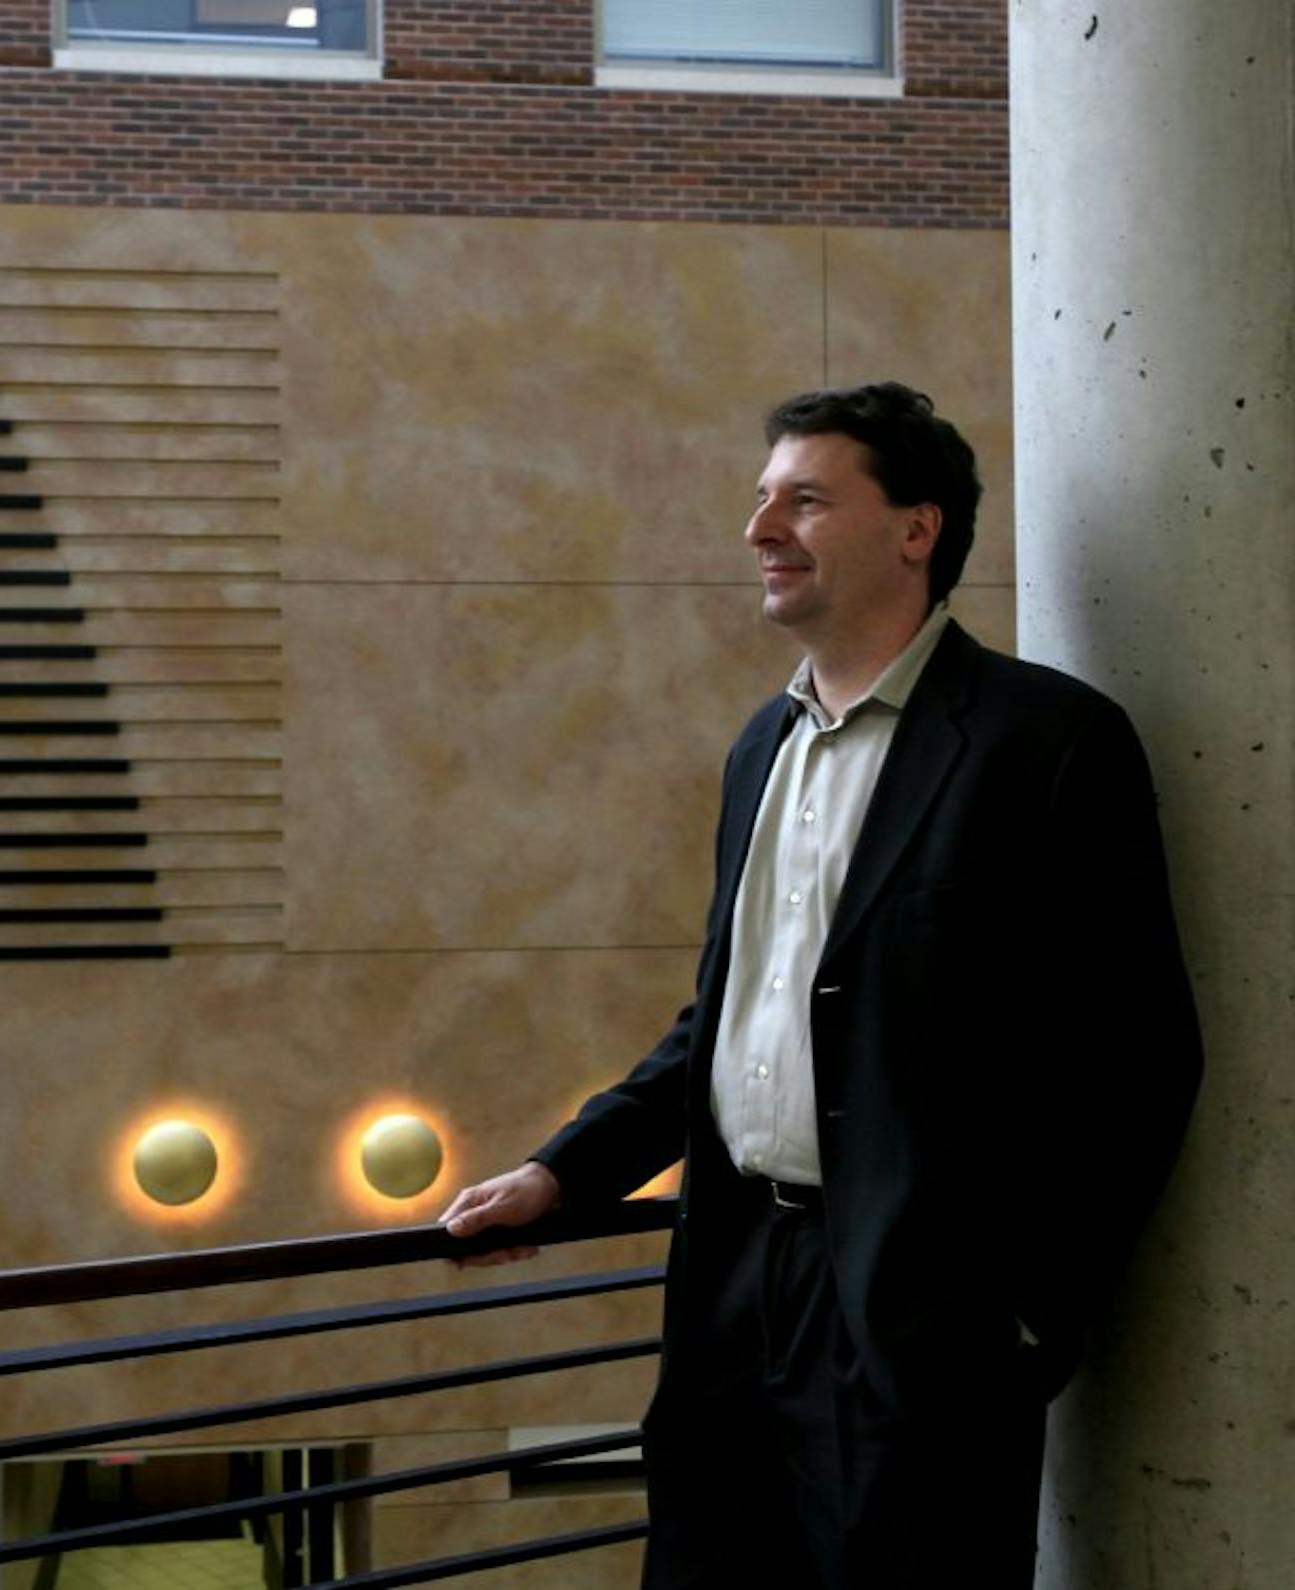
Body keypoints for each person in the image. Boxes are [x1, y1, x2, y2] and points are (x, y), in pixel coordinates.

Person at [439, 382, 1202, 1590]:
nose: (759, 530)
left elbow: (1141, 1054)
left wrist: (1023, 1320)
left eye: (804, 499)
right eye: (760, 500)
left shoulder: (1046, 743)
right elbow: (730, 1020)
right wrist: (562, 1172)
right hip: (738, 1291)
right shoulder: (763, 747)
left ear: (917, 529)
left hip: (924, 1322)